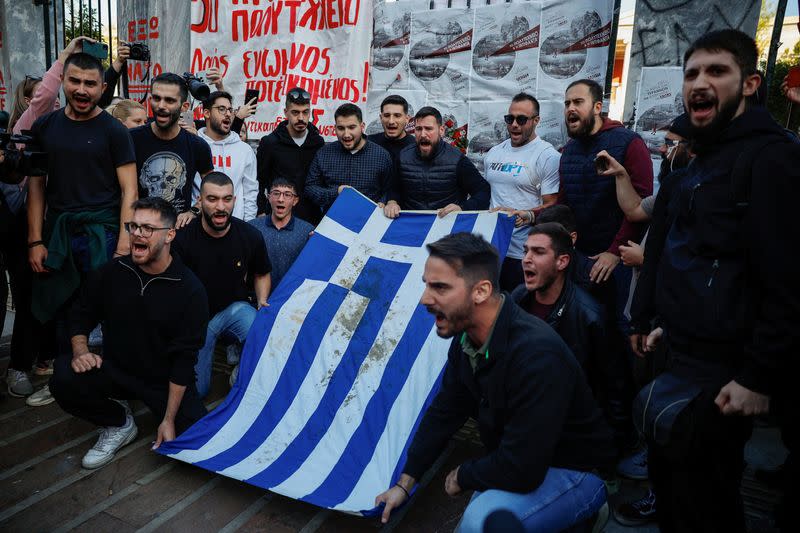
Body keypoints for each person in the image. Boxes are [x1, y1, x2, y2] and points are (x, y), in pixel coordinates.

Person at [630, 29, 799, 532]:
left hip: (730, 373)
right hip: (682, 353)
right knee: (669, 485)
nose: (699, 83)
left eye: (716, 71)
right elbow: (686, 249)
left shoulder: (773, 160)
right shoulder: (700, 156)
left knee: (705, 499)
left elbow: (789, 282)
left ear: (750, 84)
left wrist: (756, 377)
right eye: (692, 73)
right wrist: (659, 321)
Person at [374, 233, 614, 532]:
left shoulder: (537, 355)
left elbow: (522, 468)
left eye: (440, 287)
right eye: (426, 284)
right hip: (519, 459)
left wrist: (463, 475)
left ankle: (586, 513)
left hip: (574, 469)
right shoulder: (468, 338)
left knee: (479, 523)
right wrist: (405, 484)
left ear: (481, 291)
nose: (424, 298)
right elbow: (446, 410)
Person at [49, 197, 209, 469]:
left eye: (147, 228)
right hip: (116, 371)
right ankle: (118, 422)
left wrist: (169, 420)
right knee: (63, 377)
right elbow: (81, 313)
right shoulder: (113, 272)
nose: (137, 234)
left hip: (161, 381)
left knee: (195, 445)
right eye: (133, 226)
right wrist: (81, 350)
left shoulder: (190, 290)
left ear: (170, 235)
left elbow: (184, 361)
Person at [25, 51, 138, 406]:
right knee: (62, 307)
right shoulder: (45, 127)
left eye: (91, 83)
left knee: (109, 309)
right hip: (59, 234)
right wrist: (35, 240)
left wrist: (122, 243)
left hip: (102, 234)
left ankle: (112, 383)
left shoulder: (115, 131)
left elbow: (129, 190)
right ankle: (63, 378)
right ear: (64, 82)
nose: (82, 89)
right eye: (75, 81)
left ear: (103, 86)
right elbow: (36, 186)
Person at [2, 38, 91, 397]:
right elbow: (43, 99)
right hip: (23, 226)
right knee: (26, 297)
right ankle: (18, 366)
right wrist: (65, 58)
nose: (55, 101)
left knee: (56, 294)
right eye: (52, 93)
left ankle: (47, 358)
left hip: (56, 225)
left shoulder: (73, 125)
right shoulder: (32, 124)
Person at [172, 172, 272, 398]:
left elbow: (261, 273)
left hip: (233, 310)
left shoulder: (249, 235)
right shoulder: (183, 238)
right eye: (212, 199)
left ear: (234, 201)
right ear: (199, 201)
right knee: (199, 391)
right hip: (197, 322)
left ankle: (242, 368)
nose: (220, 206)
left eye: (227, 199)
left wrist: (262, 300)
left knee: (263, 328)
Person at [560, 79, 653, 284]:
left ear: (597, 107)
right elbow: (563, 203)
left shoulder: (629, 142)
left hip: (618, 263)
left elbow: (642, 208)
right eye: (567, 104)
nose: (570, 108)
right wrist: (531, 215)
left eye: (578, 102)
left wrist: (614, 252)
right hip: (580, 258)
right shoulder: (568, 151)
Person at [484, 93, 560, 291]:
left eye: (522, 119)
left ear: (536, 121)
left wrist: (527, 215)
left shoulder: (547, 155)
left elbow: (553, 206)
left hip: (523, 254)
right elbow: (488, 195)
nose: (514, 124)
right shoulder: (494, 153)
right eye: (510, 119)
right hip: (492, 249)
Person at [130, 73, 213, 228]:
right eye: (156, 98)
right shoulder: (131, 139)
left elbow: (212, 189)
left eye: (169, 100)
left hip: (179, 233)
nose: (161, 105)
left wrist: (194, 211)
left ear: (184, 106)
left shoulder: (197, 146)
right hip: (139, 231)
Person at [384, 107, 490, 218]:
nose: (423, 134)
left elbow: (483, 192)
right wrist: (392, 202)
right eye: (419, 129)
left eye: (428, 129)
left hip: (445, 226)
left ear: (441, 130)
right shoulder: (403, 156)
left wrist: (463, 208)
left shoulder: (457, 159)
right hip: (411, 224)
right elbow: (393, 188)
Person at [305, 103, 394, 213]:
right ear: (335, 128)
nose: (346, 134)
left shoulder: (381, 156)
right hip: (332, 222)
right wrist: (336, 192)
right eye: (341, 128)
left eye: (352, 127)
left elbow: (390, 189)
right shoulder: (324, 154)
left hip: (369, 222)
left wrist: (383, 202)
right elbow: (310, 188)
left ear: (362, 127)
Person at [256, 87, 324, 223]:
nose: (301, 118)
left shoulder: (317, 142)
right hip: (277, 217)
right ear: (286, 113)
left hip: (310, 218)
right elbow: (259, 180)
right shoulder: (270, 143)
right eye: (295, 112)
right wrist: (261, 210)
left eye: (305, 112)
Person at [195, 90, 258, 221]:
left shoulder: (244, 150)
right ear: (206, 113)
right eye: (222, 109)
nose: (228, 114)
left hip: (234, 227)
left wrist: (248, 225)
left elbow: (250, 192)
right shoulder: (194, 145)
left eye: (230, 110)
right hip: (198, 226)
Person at [249, 177, 314, 290]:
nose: (280, 199)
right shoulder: (252, 227)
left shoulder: (307, 231)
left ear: (295, 201)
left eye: (287, 195)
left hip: (292, 299)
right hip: (257, 300)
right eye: (276, 193)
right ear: (269, 197)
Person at [367, 94, 415, 165]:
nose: (391, 121)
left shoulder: (416, 146)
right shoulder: (369, 143)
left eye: (397, 116)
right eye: (387, 115)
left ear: (407, 119)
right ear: (381, 118)